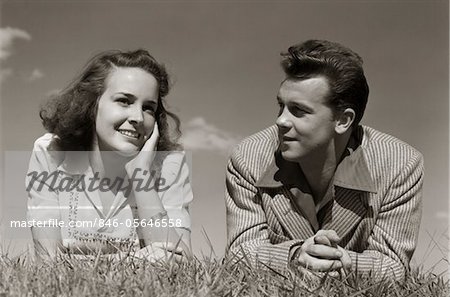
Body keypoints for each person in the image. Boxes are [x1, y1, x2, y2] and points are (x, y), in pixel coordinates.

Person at [225, 39, 424, 280]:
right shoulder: (248, 157)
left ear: (343, 120)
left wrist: (343, 265)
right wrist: (294, 256)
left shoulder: (400, 165)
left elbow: (393, 266)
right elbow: (238, 254)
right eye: (281, 106)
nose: (281, 121)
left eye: (298, 110)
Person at [26, 49, 193, 261]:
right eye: (124, 101)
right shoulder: (50, 153)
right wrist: (139, 260)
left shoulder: (170, 163)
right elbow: (47, 261)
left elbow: (181, 263)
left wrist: (141, 175)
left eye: (149, 108)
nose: (138, 117)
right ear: (92, 104)